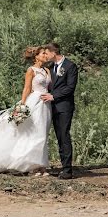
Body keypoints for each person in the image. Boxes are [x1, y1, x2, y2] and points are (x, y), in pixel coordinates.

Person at [41, 42, 78, 179]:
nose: (45, 55)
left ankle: (68, 170)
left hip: (64, 107)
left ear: (53, 53)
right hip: (53, 107)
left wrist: (53, 96)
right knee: (59, 137)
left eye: (46, 53)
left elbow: (70, 88)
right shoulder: (51, 67)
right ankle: (63, 167)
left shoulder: (70, 66)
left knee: (64, 136)